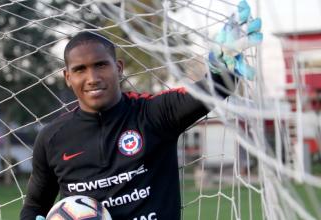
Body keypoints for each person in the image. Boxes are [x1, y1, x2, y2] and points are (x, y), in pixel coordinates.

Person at [20, 1, 262, 219]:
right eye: (80, 69)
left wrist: (222, 69)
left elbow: (207, 93)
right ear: (67, 77)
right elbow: (34, 206)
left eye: (101, 65)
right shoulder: (52, 138)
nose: (92, 77)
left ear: (119, 68)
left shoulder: (152, 115)